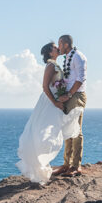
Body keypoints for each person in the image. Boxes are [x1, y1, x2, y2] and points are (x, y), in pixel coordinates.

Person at [15, 41, 84, 184]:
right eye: (54, 47)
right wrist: (56, 102)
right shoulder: (51, 66)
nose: (58, 48)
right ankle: (41, 162)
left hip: (57, 101)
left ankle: (67, 163)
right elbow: (45, 87)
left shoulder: (56, 64)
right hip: (50, 102)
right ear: (49, 52)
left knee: (57, 129)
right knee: (44, 131)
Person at [55, 34, 87, 177]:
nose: (58, 47)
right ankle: (66, 164)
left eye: (60, 44)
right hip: (68, 96)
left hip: (76, 96)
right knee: (67, 130)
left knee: (76, 131)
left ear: (66, 44)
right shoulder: (67, 57)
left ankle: (76, 166)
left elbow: (80, 78)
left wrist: (68, 95)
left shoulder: (78, 56)